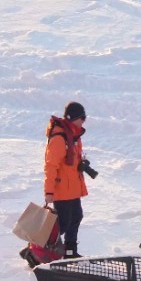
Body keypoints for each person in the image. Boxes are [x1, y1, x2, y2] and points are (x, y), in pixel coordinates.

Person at [44, 100, 97, 259]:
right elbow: (51, 166)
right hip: (62, 189)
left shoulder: (73, 134)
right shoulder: (60, 137)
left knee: (76, 217)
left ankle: (70, 251)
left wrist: (81, 164)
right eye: (83, 117)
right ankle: (42, 249)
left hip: (72, 187)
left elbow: (71, 160)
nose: (84, 121)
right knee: (63, 224)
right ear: (73, 117)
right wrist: (49, 191)